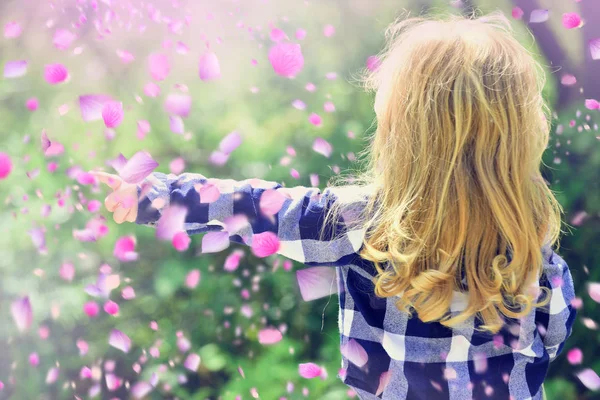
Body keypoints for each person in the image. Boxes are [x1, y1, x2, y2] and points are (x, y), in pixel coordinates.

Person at [91, 10, 576, 400]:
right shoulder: (537, 261)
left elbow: (252, 206)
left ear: (400, 134)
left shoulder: (361, 225)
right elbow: (553, 337)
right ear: (519, 140)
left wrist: (156, 194)